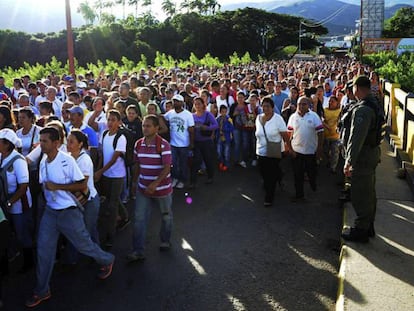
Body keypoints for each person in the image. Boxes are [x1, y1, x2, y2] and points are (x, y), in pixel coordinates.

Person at [25, 127, 114, 308]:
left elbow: (82, 184)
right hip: (51, 213)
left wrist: (58, 187)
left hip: (69, 212)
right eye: (40, 141)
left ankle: (107, 259)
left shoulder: (67, 161)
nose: (41, 144)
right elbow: (45, 185)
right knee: (44, 251)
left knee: (84, 245)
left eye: (45, 141)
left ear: (56, 143)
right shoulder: (43, 160)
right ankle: (42, 290)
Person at [127, 115, 173, 261]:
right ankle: (138, 251)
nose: (145, 129)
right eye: (144, 126)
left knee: (166, 216)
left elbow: (167, 167)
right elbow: (137, 165)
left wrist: (155, 183)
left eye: (148, 126)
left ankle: (165, 240)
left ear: (156, 128)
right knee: (139, 219)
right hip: (143, 189)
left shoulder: (163, 145)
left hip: (162, 190)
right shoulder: (138, 144)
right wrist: (134, 183)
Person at [341, 75, 381, 243]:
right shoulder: (373, 102)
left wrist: (349, 160)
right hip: (369, 154)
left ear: (357, 88)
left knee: (361, 193)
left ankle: (361, 229)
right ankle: (368, 225)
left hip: (363, 157)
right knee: (369, 192)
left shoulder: (363, 109)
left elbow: (357, 138)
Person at [0, 129, 34, 273]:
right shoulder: (1, 157)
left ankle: (29, 261)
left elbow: (23, 187)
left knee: (21, 233)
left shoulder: (19, 161)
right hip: (5, 201)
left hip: (18, 203)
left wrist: (10, 202)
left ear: (7, 144)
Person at [64, 130, 100, 262]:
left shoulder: (84, 159)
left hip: (89, 201)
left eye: (71, 142)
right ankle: (92, 257)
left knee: (84, 232)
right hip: (77, 200)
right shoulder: (68, 157)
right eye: (67, 141)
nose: (68, 144)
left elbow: (82, 185)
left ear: (80, 144)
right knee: (87, 230)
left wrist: (59, 186)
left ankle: (100, 259)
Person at [95, 110, 129, 248]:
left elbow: (114, 158)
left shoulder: (121, 138)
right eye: (109, 119)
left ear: (119, 122)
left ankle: (111, 235)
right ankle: (125, 216)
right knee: (112, 198)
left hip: (117, 175)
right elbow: (102, 154)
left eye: (113, 120)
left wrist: (101, 171)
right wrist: (99, 170)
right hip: (106, 174)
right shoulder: (104, 134)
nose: (110, 122)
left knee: (112, 204)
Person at [287, 96, 324, 202]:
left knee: (311, 172)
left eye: (304, 104)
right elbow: (289, 133)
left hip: (310, 151)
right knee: (297, 174)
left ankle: (313, 183)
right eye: (299, 104)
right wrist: (289, 148)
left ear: (309, 105)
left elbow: (320, 133)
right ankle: (299, 195)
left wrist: (320, 148)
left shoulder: (314, 116)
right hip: (297, 151)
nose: (301, 106)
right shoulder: (293, 117)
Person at [255, 97, 290, 206]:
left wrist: (288, 146)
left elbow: (285, 135)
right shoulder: (258, 118)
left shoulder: (278, 119)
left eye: (268, 106)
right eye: (263, 106)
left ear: (272, 107)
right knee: (263, 172)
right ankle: (279, 176)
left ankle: (269, 197)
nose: (265, 108)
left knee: (270, 175)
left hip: (274, 150)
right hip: (261, 150)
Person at [163, 94, 194, 189]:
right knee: (174, 163)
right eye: (174, 101)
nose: (175, 103)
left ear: (181, 103)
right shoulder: (170, 113)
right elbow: (163, 118)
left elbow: (191, 130)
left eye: (177, 101)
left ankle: (183, 180)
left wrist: (191, 143)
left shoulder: (188, 114)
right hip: (173, 143)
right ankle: (175, 178)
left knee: (183, 163)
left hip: (184, 144)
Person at [189, 97, 218, 187]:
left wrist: (207, 128)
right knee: (195, 162)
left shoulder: (207, 114)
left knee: (208, 160)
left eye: (199, 104)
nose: (197, 106)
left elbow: (215, 125)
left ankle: (210, 177)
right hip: (196, 141)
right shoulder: (192, 116)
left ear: (203, 105)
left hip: (206, 141)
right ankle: (193, 182)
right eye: (195, 104)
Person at [323, 96, 341, 173]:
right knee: (325, 151)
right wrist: (326, 126)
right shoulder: (325, 110)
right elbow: (322, 120)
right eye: (329, 101)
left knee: (335, 151)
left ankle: (333, 167)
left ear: (337, 103)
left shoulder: (340, 111)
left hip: (336, 136)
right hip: (326, 135)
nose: (330, 103)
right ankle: (329, 161)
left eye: (332, 101)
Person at [215, 105, 234, 171]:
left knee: (226, 152)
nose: (224, 113)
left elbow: (232, 128)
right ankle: (221, 162)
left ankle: (226, 164)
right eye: (222, 112)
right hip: (219, 138)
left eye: (225, 112)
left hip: (227, 138)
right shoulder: (217, 119)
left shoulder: (229, 119)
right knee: (219, 151)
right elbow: (215, 127)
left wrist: (224, 129)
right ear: (220, 112)